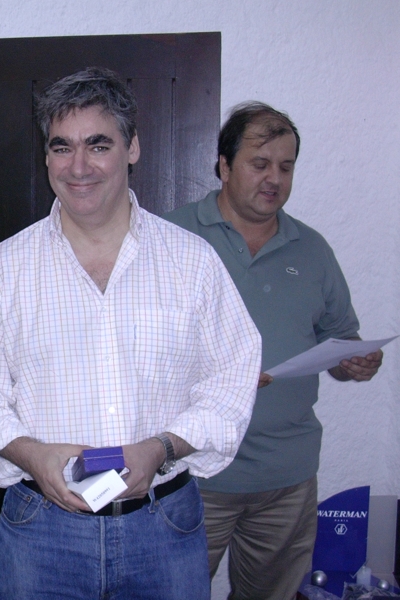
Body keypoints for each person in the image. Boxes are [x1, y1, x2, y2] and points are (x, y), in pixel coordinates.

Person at [0, 66, 262, 599]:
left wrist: (162, 448)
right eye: (62, 147)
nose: (78, 166)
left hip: (163, 528)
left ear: (132, 147)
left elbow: (232, 382)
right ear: (46, 156)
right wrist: (33, 456)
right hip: (41, 534)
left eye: (98, 145)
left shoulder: (192, 262)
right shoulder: (4, 269)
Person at [163, 102, 383, 599]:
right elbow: (134, 348)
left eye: (286, 167)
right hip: (192, 474)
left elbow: (340, 334)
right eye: (260, 164)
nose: (274, 179)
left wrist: (354, 359)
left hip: (287, 480)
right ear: (224, 167)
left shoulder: (312, 249)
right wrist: (223, 376)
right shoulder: (170, 237)